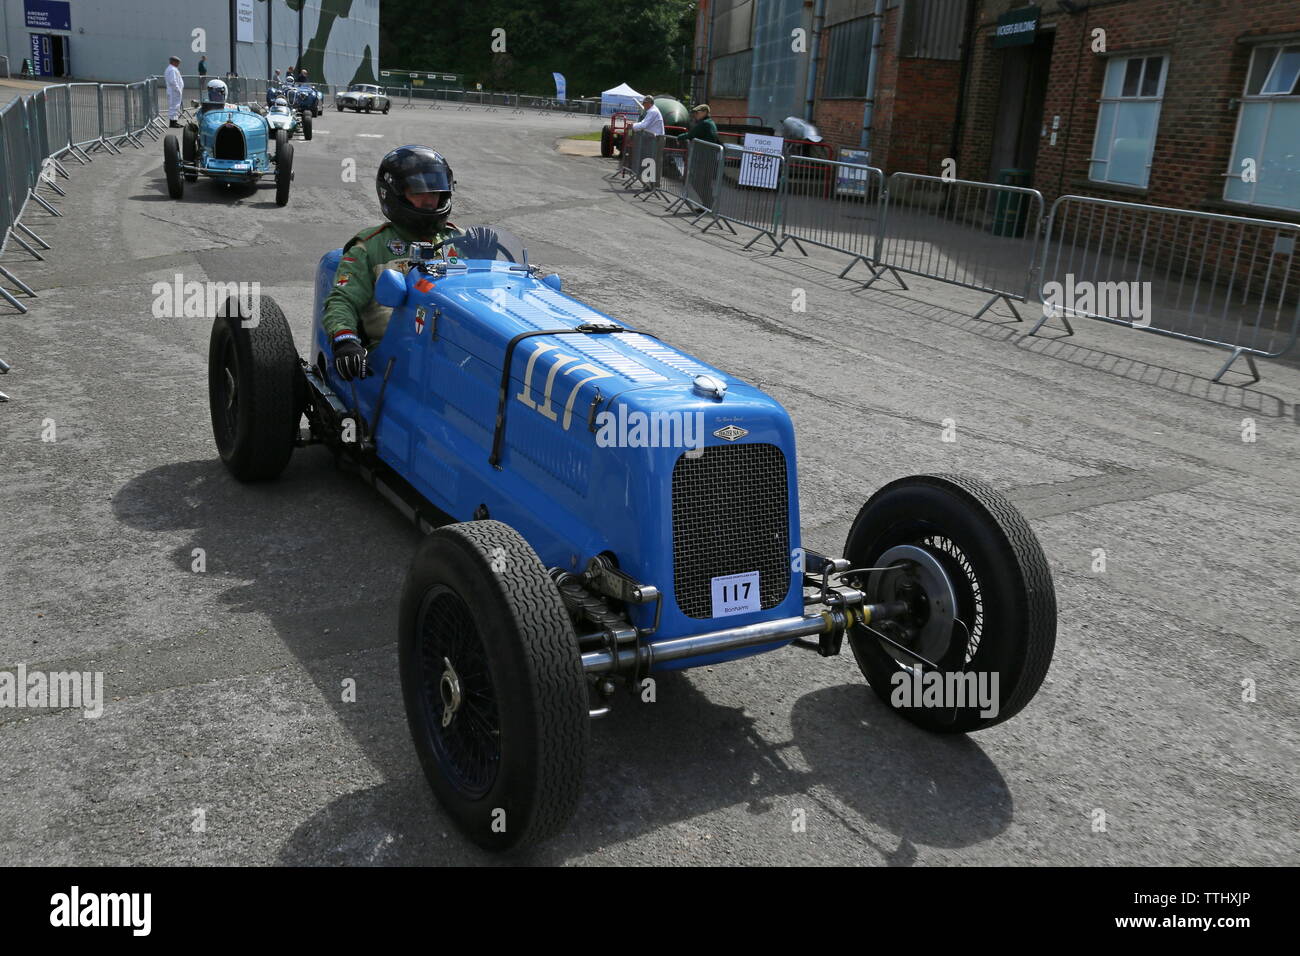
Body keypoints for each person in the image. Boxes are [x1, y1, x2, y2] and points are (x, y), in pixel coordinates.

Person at [323, 146, 461, 381]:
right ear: (395, 194)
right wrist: (345, 339)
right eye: (418, 192)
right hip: (394, 364)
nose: (429, 200)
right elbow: (342, 300)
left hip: (455, 353)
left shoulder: (459, 240)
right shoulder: (369, 247)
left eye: (435, 192)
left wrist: (485, 254)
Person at [676, 103, 721, 211]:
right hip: (708, 157)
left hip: (705, 158)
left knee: (698, 180)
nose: (695, 115)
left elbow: (691, 135)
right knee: (704, 182)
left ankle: (708, 205)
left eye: (697, 112)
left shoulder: (705, 124)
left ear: (705, 112)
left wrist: (679, 137)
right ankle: (707, 205)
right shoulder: (708, 123)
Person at [164, 56, 184, 127]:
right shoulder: (172, 69)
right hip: (174, 91)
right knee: (174, 107)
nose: (178, 64)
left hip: (174, 91)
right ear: (173, 62)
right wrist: (178, 89)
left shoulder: (172, 69)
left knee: (175, 106)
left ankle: (174, 121)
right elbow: (173, 81)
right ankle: (172, 123)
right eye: (177, 62)